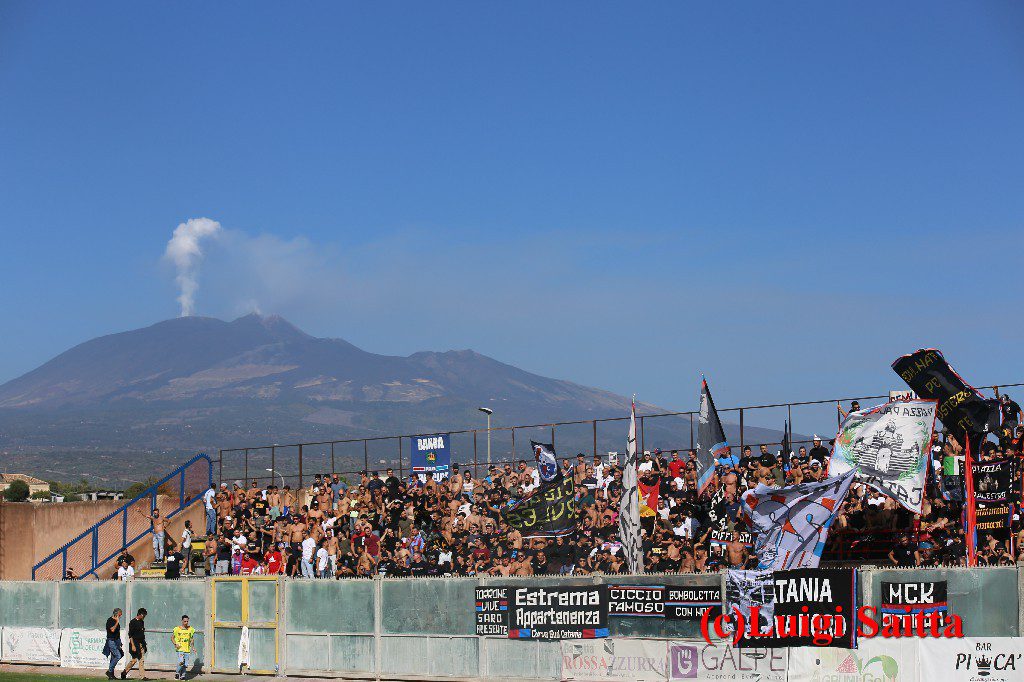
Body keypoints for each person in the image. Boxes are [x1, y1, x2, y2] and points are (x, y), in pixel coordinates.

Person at [121, 608, 147, 680]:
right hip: (135, 643)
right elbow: (130, 635)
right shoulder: (133, 622)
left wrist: (144, 645)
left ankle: (142, 676)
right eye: (144, 615)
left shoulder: (142, 622)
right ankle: (124, 672)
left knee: (141, 660)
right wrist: (133, 645)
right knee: (134, 660)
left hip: (141, 643)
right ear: (140, 614)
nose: (144, 617)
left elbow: (142, 633)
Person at [172, 615, 196, 680]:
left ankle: (183, 675)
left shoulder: (190, 629)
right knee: (181, 662)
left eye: (187, 621)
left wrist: (193, 647)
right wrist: (175, 644)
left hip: (187, 649)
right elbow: (172, 638)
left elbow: (192, 639)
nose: (186, 622)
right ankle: (177, 673)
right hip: (180, 649)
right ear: (182, 621)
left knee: (185, 664)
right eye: (184, 621)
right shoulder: (177, 629)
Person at [103, 608, 124, 680]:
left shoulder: (116, 621)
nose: (121, 615)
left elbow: (117, 632)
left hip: (116, 640)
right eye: (120, 613)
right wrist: (117, 622)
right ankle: (109, 671)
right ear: (117, 613)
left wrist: (120, 641)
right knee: (118, 656)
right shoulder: (110, 620)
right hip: (111, 641)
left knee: (115, 656)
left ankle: (111, 674)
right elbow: (112, 630)